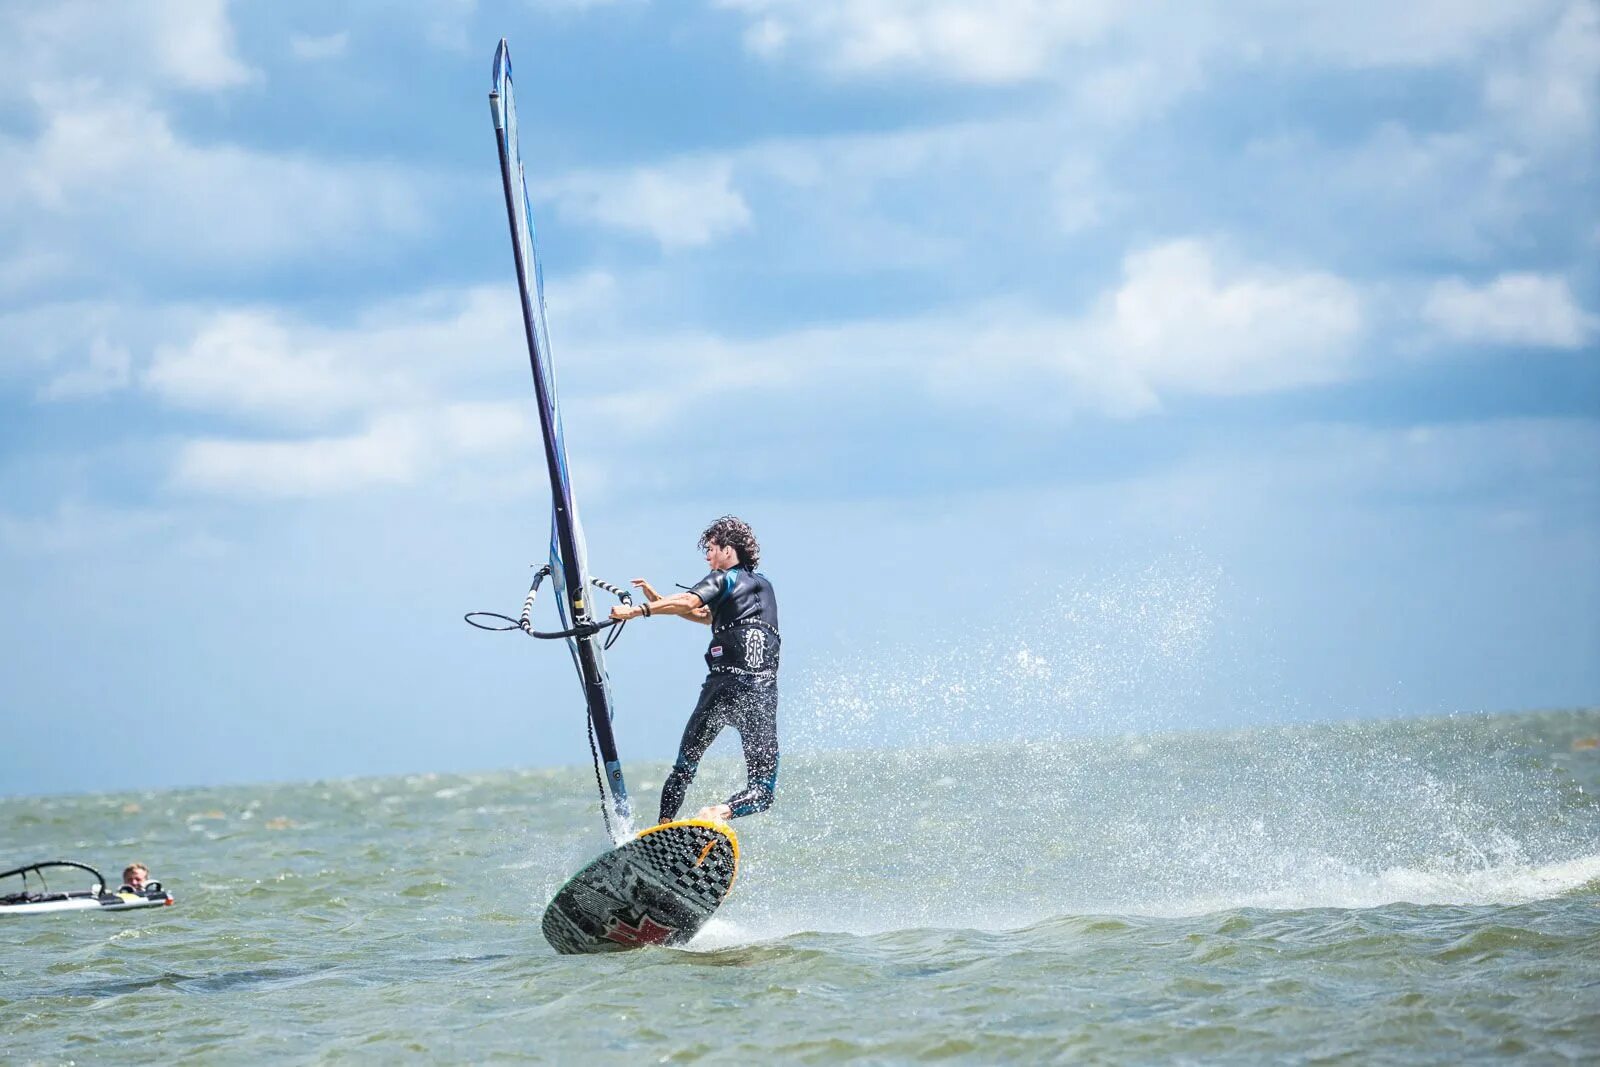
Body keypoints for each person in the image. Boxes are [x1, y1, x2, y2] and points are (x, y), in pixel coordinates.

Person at [610, 515, 779, 825]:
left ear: (729, 550)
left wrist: (635, 611)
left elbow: (690, 602)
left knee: (684, 769)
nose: (708, 556)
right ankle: (719, 812)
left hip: (723, 688)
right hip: (761, 695)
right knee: (763, 791)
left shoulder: (723, 578)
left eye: (712, 549)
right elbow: (703, 614)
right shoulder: (764, 587)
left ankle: (662, 828)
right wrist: (661, 601)